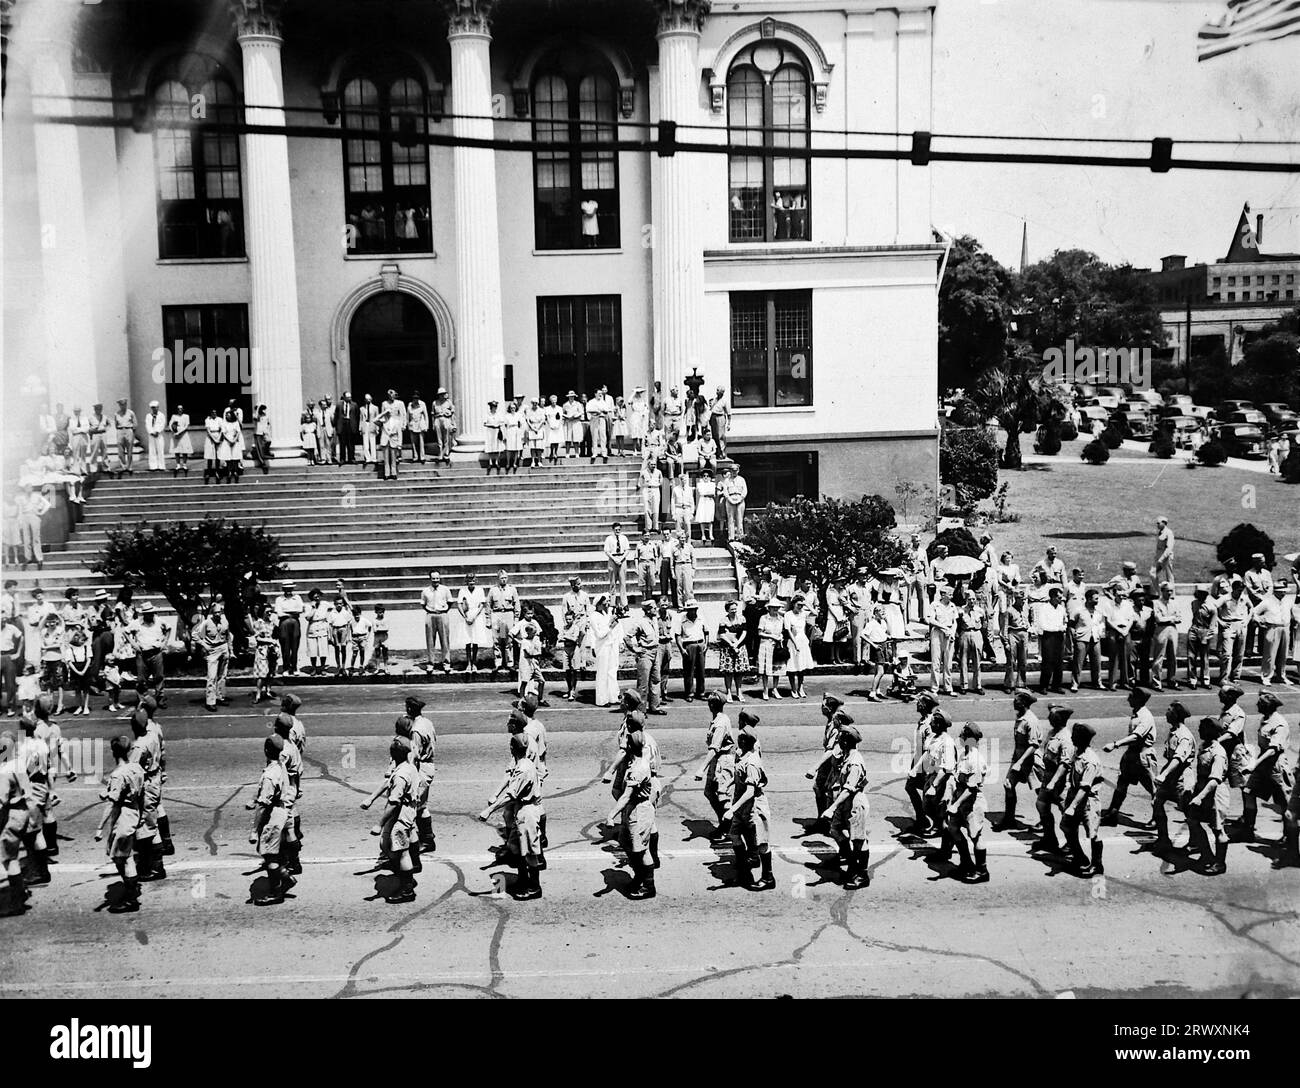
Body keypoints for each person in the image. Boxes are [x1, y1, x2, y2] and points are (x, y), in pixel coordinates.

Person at [479, 732, 544, 900]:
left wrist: (489, 810)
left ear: (512, 748)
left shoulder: (523, 769)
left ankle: (535, 887)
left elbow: (511, 795)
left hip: (527, 813)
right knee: (516, 849)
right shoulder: (522, 763)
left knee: (529, 852)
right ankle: (523, 879)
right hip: (520, 811)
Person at [361, 736, 420, 904]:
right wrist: (371, 798)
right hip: (405, 812)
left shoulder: (401, 775)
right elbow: (388, 782)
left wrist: (379, 824)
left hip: (401, 817)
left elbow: (394, 802)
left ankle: (407, 889)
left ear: (392, 754)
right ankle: (405, 872)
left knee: (402, 852)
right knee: (386, 845)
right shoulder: (407, 767)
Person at [603, 730, 657, 899]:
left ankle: (648, 886)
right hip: (633, 810)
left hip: (640, 811)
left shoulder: (638, 769)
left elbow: (626, 795)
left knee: (641, 850)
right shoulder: (633, 762)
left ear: (631, 747)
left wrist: (611, 815)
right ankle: (640, 876)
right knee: (625, 842)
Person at [94, 735, 145, 913]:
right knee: (124, 855)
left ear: (113, 752)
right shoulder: (137, 768)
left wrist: (100, 827)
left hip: (122, 818)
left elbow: (113, 803)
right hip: (134, 813)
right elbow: (140, 793)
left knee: (122, 858)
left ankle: (131, 898)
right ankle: (131, 888)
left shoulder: (117, 774)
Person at [1233, 692, 1290, 844]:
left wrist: (1254, 764)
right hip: (1262, 764)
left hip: (1275, 767)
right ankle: (1248, 830)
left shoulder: (1279, 723)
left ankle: (1288, 836)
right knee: (1248, 792)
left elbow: (1273, 749)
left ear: (1266, 706)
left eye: (1260, 703)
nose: (1257, 705)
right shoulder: (1265, 719)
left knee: (1284, 802)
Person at [722, 728, 775, 891]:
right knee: (735, 836)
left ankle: (768, 878)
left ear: (745, 741)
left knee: (761, 844)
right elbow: (739, 774)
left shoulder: (752, 761)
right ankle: (743, 875)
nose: (737, 740)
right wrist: (728, 783)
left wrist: (732, 809)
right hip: (741, 805)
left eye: (740, 738)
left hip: (754, 807)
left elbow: (750, 791)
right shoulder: (742, 755)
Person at [246, 735, 293, 905]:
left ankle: (276, 892)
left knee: (269, 857)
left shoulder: (269, 776)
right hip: (282, 810)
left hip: (271, 817)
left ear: (266, 750)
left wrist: (253, 831)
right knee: (275, 853)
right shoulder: (280, 764)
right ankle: (286, 879)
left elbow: (262, 806)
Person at [1101, 686, 1157, 826]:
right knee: (1121, 784)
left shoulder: (1145, 716)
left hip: (1142, 757)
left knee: (1154, 789)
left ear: (1138, 699)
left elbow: (1136, 736)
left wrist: (1115, 744)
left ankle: (1157, 819)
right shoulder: (1137, 713)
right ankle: (1113, 814)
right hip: (1132, 755)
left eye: (1131, 696)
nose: (1128, 699)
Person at [1184, 717, 1230, 875]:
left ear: (1210, 731)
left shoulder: (1218, 752)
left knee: (1218, 829)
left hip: (1215, 794)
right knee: (1192, 820)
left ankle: (1220, 863)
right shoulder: (1204, 746)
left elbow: (1215, 780)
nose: (1199, 730)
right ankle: (1206, 855)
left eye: (1202, 728)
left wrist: (1199, 797)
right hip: (1202, 789)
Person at [945, 722, 990, 883]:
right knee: (953, 829)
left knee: (975, 835)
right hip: (960, 799)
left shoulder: (975, 759)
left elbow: (971, 788)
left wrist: (955, 805)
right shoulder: (964, 754)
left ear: (969, 738)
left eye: (963, 735)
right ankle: (966, 863)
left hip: (972, 803)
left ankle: (982, 871)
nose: (960, 737)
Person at [1060, 721, 1104, 877]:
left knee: (1093, 834)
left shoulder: (1090, 760)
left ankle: (1097, 865)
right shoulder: (1077, 752)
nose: (1071, 737)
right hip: (1075, 797)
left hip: (1088, 802)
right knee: (1066, 826)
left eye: (1075, 735)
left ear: (1081, 738)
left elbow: (1085, 787)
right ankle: (1079, 857)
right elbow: (1071, 773)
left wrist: (1072, 806)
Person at [1152, 701, 1195, 853]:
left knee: (1188, 811)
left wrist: (1163, 774)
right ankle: (1163, 839)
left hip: (1181, 777)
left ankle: (1195, 841)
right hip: (1171, 776)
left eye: (1169, 711)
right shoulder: (1174, 731)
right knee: (1156, 803)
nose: (1166, 713)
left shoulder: (1184, 736)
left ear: (1175, 715)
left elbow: (1178, 758)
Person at [1032, 705, 1076, 856]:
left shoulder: (1066, 738)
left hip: (1061, 782)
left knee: (1067, 814)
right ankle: (1049, 838)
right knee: (1041, 805)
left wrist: (1053, 782)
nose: (1049, 718)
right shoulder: (1052, 733)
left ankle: (1072, 845)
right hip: (1048, 777)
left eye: (1052, 716)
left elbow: (1065, 764)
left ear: (1059, 719)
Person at [995, 690, 1041, 831]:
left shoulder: (1031, 721)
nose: (1014, 702)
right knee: (1008, 785)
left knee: (1042, 792)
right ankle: (1009, 819)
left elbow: (1034, 745)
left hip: (1031, 761)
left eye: (1017, 700)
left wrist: (1020, 762)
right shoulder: (1020, 717)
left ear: (1024, 703)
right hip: (1019, 758)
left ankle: (1045, 820)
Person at [626, 600, 663, 715]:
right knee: (643, 683)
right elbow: (627, 637)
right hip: (645, 653)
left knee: (656, 680)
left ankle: (654, 706)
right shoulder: (640, 622)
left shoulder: (655, 620)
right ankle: (640, 710)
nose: (655, 610)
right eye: (653, 608)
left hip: (655, 651)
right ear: (647, 610)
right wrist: (635, 649)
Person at [1253, 579, 1291, 686]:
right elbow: (1254, 612)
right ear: (1277, 591)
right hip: (1272, 628)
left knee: (1283, 655)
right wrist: (1260, 621)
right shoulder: (1267, 601)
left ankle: (1281, 675)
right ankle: (1266, 676)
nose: (1284, 593)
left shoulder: (1287, 600)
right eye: (1282, 591)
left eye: (1284, 591)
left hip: (1285, 628)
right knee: (1270, 654)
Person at [560, 576, 591, 702]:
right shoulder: (567, 596)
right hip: (572, 621)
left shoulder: (584, 595)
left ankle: (581, 663)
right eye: (576, 584)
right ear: (572, 585)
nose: (578, 586)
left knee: (581, 642)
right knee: (571, 642)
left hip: (581, 620)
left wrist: (587, 621)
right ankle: (569, 688)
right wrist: (567, 625)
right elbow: (564, 611)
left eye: (579, 583)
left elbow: (588, 609)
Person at [196, 601, 231, 712]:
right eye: (215, 612)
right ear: (212, 613)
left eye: (219, 612)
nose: (217, 614)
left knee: (222, 675)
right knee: (212, 676)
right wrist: (204, 645)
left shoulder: (224, 621)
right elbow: (195, 635)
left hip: (223, 647)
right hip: (212, 650)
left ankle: (220, 696)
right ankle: (210, 701)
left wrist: (230, 649)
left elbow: (229, 635)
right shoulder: (206, 623)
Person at [589, 596, 622, 707]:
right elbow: (599, 634)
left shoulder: (606, 614)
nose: (607, 604)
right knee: (602, 672)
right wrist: (610, 626)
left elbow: (615, 629)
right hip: (602, 646)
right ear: (598, 604)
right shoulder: (594, 616)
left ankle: (613, 696)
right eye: (604, 603)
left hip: (611, 644)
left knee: (612, 671)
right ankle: (602, 699)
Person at [1215, 578, 1249, 686]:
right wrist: (1219, 621)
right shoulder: (1225, 598)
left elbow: (1251, 608)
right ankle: (1224, 678)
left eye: (1242, 590)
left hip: (1241, 625)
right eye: (1238, 590)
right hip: (1228, 625)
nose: (1240, 593)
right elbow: (1212, 608)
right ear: (1233, 589)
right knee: (1227, 654)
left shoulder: (1244, 598)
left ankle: (1236, 677)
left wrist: (1247, 620)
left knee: (1239, 654)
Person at [1036, 585, 1068, 693]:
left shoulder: (1061, 609)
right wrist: (1057, 628)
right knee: (1047, 662)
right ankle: (1043, 686)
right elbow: (1042, 625)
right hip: (1048, 636)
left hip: (1059, 637)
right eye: (1059, 597)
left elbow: (1065, 621)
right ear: (1053, 597)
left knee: (1059, 662)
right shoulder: (1044, 608)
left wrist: (1063, 627)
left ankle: (1056, 685)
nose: (1060, 599)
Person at [488, 570, 520, 676]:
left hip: (508, 615)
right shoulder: (493, 590)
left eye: (505, 577)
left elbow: (516, 604)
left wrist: (516, 619)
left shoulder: (512, 589)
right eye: (502, 578)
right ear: (498, 578)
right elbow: (488, 605)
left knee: (508, 640)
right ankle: (498, 663)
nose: (504, 580)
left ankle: (509, 663)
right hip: (497, 615)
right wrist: (488, 619)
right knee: (497, 640)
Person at [715, 600, 749, 703]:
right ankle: (729, 692)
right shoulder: (723, 620)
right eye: (732, 609)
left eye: (735, 609)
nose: (734, 611)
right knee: (728, 672)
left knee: (739, 672)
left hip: (740, 647)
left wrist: (737, 644)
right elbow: (722, 634)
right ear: (727, 610)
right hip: (727, 649)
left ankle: (739, 691)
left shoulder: (741, 618)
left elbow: (744, 632)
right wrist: (731, 644)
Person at [927, 584, 958, 695]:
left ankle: (948, 687)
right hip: (937, 633)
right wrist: (944, 628)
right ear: (943, 595)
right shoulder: (935, 605)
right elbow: (931, 620)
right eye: (950, 594)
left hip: (949, 634)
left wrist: (952, 633)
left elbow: (954, 622)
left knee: (948, 663)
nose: (951, 596)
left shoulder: (953, 606)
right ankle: (934, 688)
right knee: (936, 662)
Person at [420, 571, 453, 674]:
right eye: (433, 578)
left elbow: (450, 601)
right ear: (430, 579)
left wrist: (444, 610)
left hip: (442, 615)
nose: (435, 581)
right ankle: (430, 664)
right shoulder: (425, 591)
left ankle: (446, 663)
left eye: (437, 578)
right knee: (430, 641)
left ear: (440, 578)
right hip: (430, 615)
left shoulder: (445, 589)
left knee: (445, 640)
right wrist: (430, 611)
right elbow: (423, 604)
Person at [1185, 585, 1215, 689]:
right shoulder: (1194, 603)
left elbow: (1212, 625)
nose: (1201, 596)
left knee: (1204, 658)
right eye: (1199, 593)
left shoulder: (1211, 607)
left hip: (1204, 631)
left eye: (1203, 594)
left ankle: (1205, 680)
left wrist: (1206, 636)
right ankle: (1192, 679)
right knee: (1191, 656)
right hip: (1194, 629)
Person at [955, 592, 985, 694]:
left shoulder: (980, 611)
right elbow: (957, 624)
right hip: (965, 633)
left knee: (977, 661)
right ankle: (964, 685)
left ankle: (977, 685)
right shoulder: (961, 611)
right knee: (964, 661)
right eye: (969, 599)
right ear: (966, 600)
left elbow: (984, 623)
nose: (971, 601)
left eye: (973, 599)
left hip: (976, 633)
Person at [757, 598, 785, 701]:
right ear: (768, 608)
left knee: (776, 668)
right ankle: (765, 690)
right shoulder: (763, 618)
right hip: (766, 645)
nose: (775, 609)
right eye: (773, 607)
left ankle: (775, 689)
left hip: (777, 646)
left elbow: (782, 632)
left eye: (777, 608)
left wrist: (780, 637)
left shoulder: (781, 619)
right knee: (766, 670)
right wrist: (772, 636)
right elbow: (760, 633)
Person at [604, 522, 631, 609]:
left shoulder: (624, 538)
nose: (617, 531)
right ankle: (612, 604)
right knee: (612, 583)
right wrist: (614, 559)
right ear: (613, 530)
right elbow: (607, 551)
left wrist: (622, 558)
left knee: (623, 583)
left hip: (622, 559)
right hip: (613, 559)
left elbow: (627, 550)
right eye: (616, 530)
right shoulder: (609, 539)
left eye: (619, 529)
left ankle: (624, 604)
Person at [721, 466, 747, 541]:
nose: (734, 472)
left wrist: (740, 499)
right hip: (730, 499)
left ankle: (740, 536)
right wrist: (729, 499)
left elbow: (745, 491)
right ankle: (731, 537)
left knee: (739, 518)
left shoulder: (741, 479)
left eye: (735, 470)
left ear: (738, 470)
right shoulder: (726, 481)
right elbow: (725, 491)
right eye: (732, 470)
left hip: (740, 498)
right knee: (730, 518)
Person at [167, 404, 192, 477]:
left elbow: (186, 426)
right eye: (178, 409)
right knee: (177, 450)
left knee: (185, 450)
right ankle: (178, 464)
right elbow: (170, 424)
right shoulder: (174, 416)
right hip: (176, 434)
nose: (180, 410)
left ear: (183, 409)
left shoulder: (186, 416)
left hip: (183, 434)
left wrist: (180, 433)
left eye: (181, 409)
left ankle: (184, 464)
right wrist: (174, 431)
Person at [432, 388, 456, 462]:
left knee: (446, 438)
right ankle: (440, 454)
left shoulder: (448, 402)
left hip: (446, 419)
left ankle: (446, 454)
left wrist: (453, 423)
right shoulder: (435, 403)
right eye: (440, 394)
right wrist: (433, 423)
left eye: (443, 394)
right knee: (439, 439)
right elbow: (433, 414)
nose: (442, 396)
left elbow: (452, 412)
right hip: (438, 419)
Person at [114, 399, 137, 476]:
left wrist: (133, 434)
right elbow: (116, 424)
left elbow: (135, 424)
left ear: (126, 405)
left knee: (129, 450)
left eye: (124, 404)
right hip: (120, 430)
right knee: (120, 451)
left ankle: (129, 467)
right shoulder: (117, 414)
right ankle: (124, 466)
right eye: (121, 405)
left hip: (128, 430)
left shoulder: (131, 413)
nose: (123, 406)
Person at [335, 391, 359, 464]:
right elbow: (336, 416)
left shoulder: (354, 405)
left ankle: (351, 458)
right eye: (348, 397)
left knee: (351, 443)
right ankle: (342, 459)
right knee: (342, 443)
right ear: (344, 397)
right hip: (342, 425)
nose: (349, 398)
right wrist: (337, 427)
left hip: (351, 424)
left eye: (350, 397)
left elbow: (357, 416)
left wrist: (356, 427)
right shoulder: (339, 405)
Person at [1153, 517, 1175, 590]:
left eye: (1159, 523)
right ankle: (1155, 592)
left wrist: (1162, 559)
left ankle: (1171, 594)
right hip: (1159, 556)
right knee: (1153, 573)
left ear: (1164, 523)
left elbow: (1169, 548)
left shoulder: (1169, 533)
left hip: (1166, 558)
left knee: (1169, 576)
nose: (1157, 525)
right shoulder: (1160, 532)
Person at [407, 391, 429, 463]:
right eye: (414, 398)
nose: (415, 400)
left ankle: (422, 457)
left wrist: (426, 425)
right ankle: (415, 457)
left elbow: (426, 415)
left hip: (420, 424)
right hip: (413, 424)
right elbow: (407, 417)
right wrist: (408, 425)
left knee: (421, 441)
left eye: (417, 398)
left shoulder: (422, 404)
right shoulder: (410, 405)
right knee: (414, 442)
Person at [359, 394, 380, 464]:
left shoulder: (375, 408)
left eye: (369, 399)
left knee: (372, 442)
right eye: (366, 399)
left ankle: (374, 458)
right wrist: (360, 428)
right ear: (365, 400)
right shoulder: (362, 409)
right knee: (365, 443)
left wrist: (377, 428)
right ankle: (367, 458)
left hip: (372, 425)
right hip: (365, 425)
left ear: (371, 399)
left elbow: (377, 418)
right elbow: (361, 419)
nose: (368, 400)